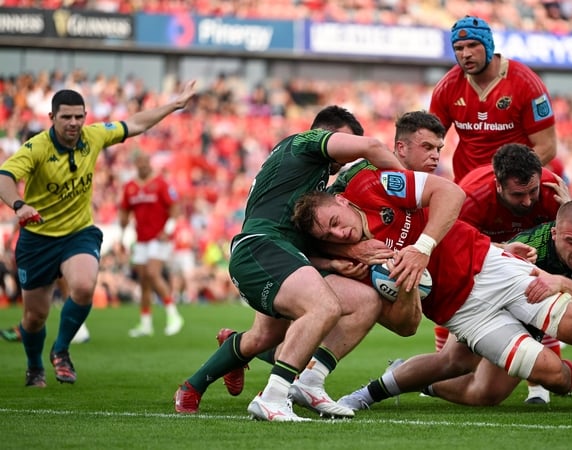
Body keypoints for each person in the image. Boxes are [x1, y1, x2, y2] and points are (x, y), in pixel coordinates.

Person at [296, 177, 572, 413]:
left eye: (335, 223)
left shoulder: (370, 186)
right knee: (543, 374)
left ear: (342, 201)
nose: (339, 234)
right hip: (462, 310)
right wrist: (398, 285)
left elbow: (447, 191)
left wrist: (423, 246)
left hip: (492, 267)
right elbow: (404, 325)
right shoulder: (345, 256)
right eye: (328, 236)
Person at [173, 106, 414, 422]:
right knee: (323, 307)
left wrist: (333, 263)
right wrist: (410, 192)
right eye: (345, 147)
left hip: (286, 257)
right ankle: (273, 397)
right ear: (330, 135)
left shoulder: (313, 178)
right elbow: (372, 148)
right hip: (260, 248)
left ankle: (197, 387)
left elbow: (302, 238)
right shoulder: (304, 143)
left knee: (362, 302)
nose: (346, 159)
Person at [212, 109, 447, 399]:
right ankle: (271, 393)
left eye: (439, 149)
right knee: (282, 331)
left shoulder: (321, 178)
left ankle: (248, 366)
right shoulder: (341, 180)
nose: (435, 156)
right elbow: (313, 236)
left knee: (282, 334)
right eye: (427, 147)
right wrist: (350, 251)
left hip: (295, 256)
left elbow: (408, 326)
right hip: (274, 255)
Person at [0, 83, 196, 387]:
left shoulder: (94, 135)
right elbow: (4, 177)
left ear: (85, 116)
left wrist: (174, 104)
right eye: (66, 117)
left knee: (83, 285)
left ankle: (61, 350)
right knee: (34, 317)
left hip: (78, 233)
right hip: (38, 238)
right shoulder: (36, 148)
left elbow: (137, 123)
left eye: (79, 116)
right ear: (52, 117)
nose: (74, 123)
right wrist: (19, 204)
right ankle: (34, 366)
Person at [455, 142, 567, 403]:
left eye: (533, 192)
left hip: (533, 259)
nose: (528, 201)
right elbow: (455, 246)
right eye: (518, 195)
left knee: (544, 298)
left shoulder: (552, 191)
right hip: (485, 261)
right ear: (498, 185)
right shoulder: (470, 197)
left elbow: (571, 241)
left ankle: (541, 384)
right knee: (460, 364)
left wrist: (569, 209)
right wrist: (502, 250)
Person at [430, 15, 557, 182]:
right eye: (459, 48)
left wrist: (509, 180)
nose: (466, 54)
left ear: (488, 45)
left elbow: (547, 147)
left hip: (513, 187)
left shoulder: (526, 84)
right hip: (468, 186)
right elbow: (428, 140)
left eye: (473, 45)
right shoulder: (447, 86)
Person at [120, 151, 184, 337]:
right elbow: (124, 211)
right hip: (141, 239)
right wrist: (122, 234)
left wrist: (168, 229)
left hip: (159, 238)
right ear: (135, 164)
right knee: (144, 282)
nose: (143, 165)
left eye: (145, 161)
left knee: (152, 273)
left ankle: (174, 315)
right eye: (139, 161)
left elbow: (175, 207)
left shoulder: (161, 184)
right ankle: (145, 323)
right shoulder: (130, 187)